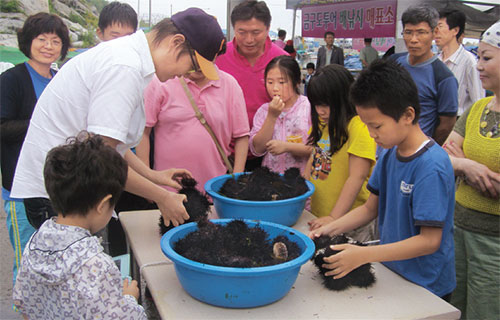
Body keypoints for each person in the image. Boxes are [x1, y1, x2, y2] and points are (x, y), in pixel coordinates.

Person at [10, 8, 226, 229]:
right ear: (176, 42)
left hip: (70, 186)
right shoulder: (124, 67)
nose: (186, 74)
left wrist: (152, 176)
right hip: (59, 194)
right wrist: (162, 197)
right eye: (193, 65)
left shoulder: (130, 59)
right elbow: (102, 158)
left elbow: (111, 145)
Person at [310, 59, 456, 300]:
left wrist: (363, 254)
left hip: (427, 285)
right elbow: (370, 208)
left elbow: (429, 241)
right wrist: (327, 229)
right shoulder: (389, 152)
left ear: (408, 114)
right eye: (366, 125)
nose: (371, 134)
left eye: (376, 125)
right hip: (393, 272)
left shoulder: (431, 166)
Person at [12, 133, 146, 319]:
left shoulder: (34, 244)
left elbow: (23, 304)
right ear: (103, 204)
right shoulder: (97, 265)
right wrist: (130, 298)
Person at [0, 12, 70, 289]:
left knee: (56, 260)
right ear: (28, 41)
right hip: (22, 187)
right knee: (28, 260)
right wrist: (40, 124)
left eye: (55, 41)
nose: (48, 46)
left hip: (59, 187)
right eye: (41, 39)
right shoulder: (12, 79)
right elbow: (2, 126)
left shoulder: (61, 78)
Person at [443, 21, 500, 319]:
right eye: (478, 57)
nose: (478, 65)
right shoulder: (477, 109)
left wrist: (462, 161)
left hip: (494, 243)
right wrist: (468, 166)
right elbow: (444, 159)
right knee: (456, 307)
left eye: (487, 58)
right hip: (459, 230)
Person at [137, 53, 250, 192]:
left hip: (215, 187)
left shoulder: (229, 84)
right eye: (194, 59)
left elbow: (242, 136)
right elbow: (143, 131)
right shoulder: (162, 80)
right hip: (167, 189)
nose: (199, 66)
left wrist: (235, 180)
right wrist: (148, 181)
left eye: (205, 58)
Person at [304, 64, 377, 242]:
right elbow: (314, 157)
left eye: (326, 105)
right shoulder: (323, 124)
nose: (320, 111)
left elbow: (356, 178)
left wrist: (334, 218)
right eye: (316, 104)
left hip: (350, 223)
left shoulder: (358, 128)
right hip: (319, 216)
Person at [216, 0, 288, 171]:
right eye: (242, 32)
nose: (249, 40)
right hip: (223, 153)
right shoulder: (219, 58)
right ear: (234, 28)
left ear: (268, 28)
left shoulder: (282, 60)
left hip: (269, 155)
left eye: (256, 32)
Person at [390, 5, 458, 146]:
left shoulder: (444, 77)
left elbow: (446, 125)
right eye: (408, 32)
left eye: (421, 32)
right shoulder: (393, 62)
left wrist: (424, 148)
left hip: (416, 154)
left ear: (435, 32)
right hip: (384, 149)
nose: (414, 39)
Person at [249, 55, 311, 174]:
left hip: (303, 179)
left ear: (297, 82)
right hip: (272, 179)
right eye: (270, 82)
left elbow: (319, 149)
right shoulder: (264, 111)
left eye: (282, 82)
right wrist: (271, 117)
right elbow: (257, 149)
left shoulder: (308, 107)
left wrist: (287, 147)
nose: (275, 88)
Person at [434, 9, 484, 116]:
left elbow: (478, 101)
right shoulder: (435, 61)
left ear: (455, 30)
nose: (436, 31)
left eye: (440, 27)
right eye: (435, 27)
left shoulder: (469, 62)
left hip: (458, 123)